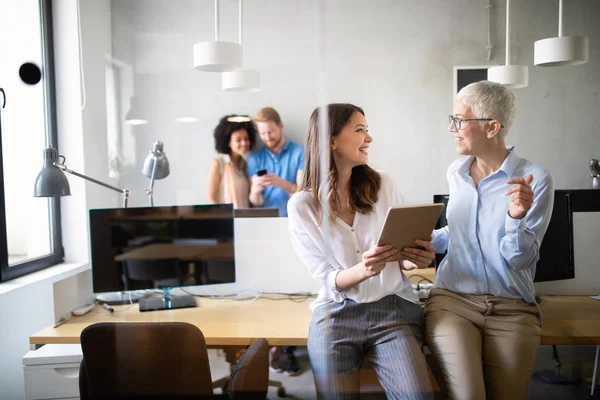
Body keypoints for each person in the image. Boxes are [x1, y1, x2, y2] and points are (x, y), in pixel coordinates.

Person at [287, 103, 436, 399]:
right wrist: (364, 270)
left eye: (367, 130)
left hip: (391, 310)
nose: (369, 138)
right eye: (360, 130)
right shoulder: (303, 205)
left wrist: (413, 259)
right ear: (330, 140)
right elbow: (327, 278)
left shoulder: (383, 185)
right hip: (335, 315)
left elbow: (403, 256)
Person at [425, 81, 555, 400]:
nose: (451, 127)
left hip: (512, 308)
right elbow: (459, 233)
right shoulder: (456, 173)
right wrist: (425, 241)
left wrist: (515, 218)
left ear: (492, 127)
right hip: (453, 300)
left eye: (459, 120)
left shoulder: (534, 181)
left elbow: (521, 260)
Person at [247, 107, 304, 217]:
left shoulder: (300, 152)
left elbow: (302, 195)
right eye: (262, 133)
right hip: (265, 220)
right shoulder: (254, 158)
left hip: (293, 218)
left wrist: (282, 183)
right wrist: (255, 191)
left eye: (270, 132)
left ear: (280, 126)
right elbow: (256, 202)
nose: (267, 137)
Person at [206, 115, 262, 208]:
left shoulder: (245, 165)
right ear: (228, 142)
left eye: (246, 139)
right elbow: (210, 199)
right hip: (224, 220)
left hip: (246, 220)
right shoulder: (218, 163)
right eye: (238, 140)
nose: (244, 143)